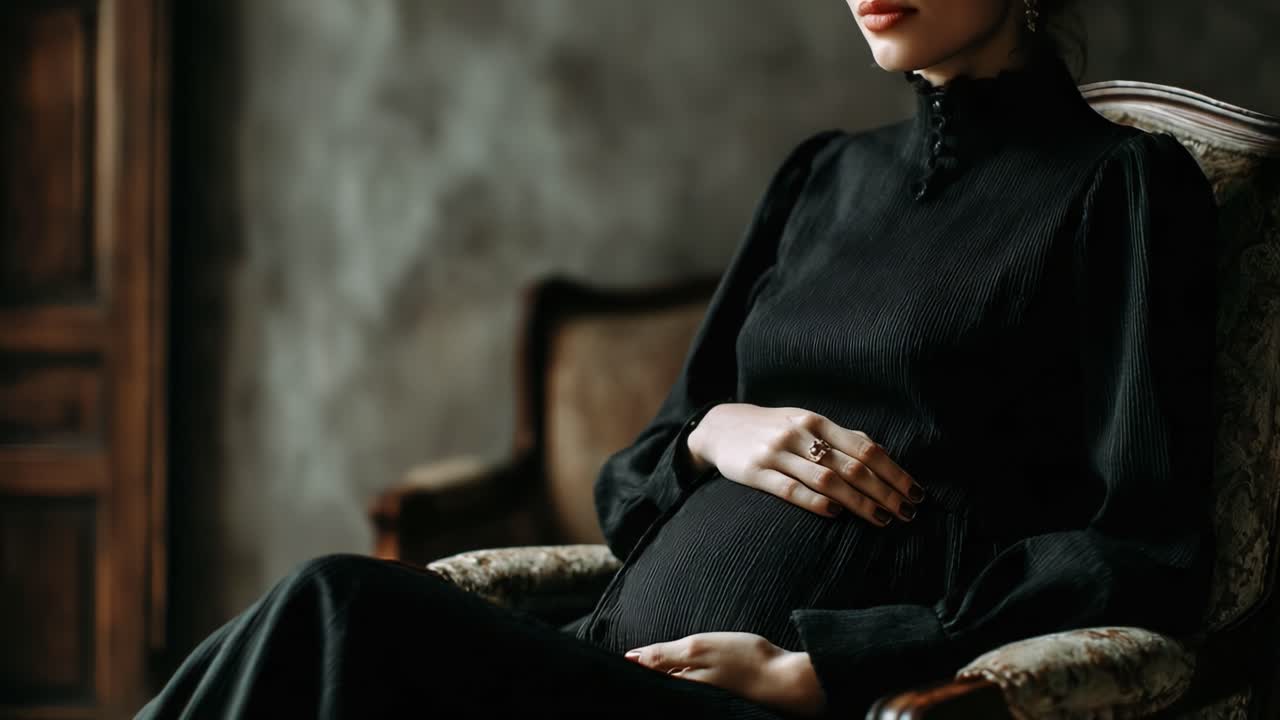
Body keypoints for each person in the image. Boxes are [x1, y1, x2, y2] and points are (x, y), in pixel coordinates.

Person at [138, 0, 1218, 717]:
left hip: (773, 702)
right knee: (310, 636)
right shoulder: (823, 180)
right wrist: (714, 431)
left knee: (337, 611)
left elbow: (1142, 551)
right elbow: (632, 481)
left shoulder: (1118, 191)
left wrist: (822, 668)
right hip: (603, 659)